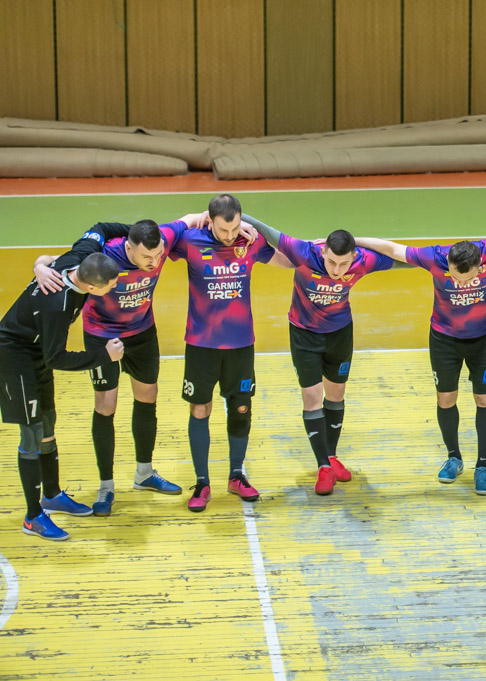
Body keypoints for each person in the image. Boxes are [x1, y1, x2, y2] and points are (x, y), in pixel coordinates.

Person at [354, 218, 486, 495]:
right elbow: (392, 249)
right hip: (444, 340)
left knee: (485, 399)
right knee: (446, 399)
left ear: (479, 265)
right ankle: (454, 458)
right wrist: (353, 241)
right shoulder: (434, 257)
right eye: (456, 277)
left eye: (468, 278)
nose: (461, 283)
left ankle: (482, 466)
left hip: (485, 340)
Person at [32, 216, 208, 515]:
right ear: (128, 247)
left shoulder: (162, 240)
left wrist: (245, 225)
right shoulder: (102, 253)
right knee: (106, 405)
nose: (154, 262)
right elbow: (55, 260)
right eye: (146, 257)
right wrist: (39, 266)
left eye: (158, 255)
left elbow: (193, 218)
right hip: (101, 335)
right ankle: (106, 486)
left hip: (142, 332)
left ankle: (144, 473)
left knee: (148, 396)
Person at [241, 213, 394, 495]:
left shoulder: (363, 261)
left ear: (353, 257)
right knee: (312, 397)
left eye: (343, 264)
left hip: (340, 334)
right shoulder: (304, 252)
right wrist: (238, 220)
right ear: (323, 251)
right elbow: (267, 230)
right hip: (304, 334)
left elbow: (405, 258)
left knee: (336, 395)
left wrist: (442, 263)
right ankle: (323, 465)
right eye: (331, 262)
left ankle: (332, 456)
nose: (336, 270)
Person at [1, 241, 123, 540]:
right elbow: (56, 358)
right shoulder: (57, 305)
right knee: (32, 433)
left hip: (37, 351)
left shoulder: (74, 262)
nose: (114, 287)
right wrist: (104, 356)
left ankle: (52, 495)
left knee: (48, 422)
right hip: (15, 358)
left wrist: (39, 265)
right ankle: (32, 517)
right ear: (91, 288)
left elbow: (100, 228)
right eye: (111, 285)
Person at [168, 195, 282, 512]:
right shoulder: (190, 240)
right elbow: (159, 239)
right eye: (223, 230)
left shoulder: (250, 241)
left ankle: (236, 476)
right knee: (200, 409)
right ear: (210, 221)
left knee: (241, 409)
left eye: (235, 228)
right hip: (201, 344)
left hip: (241, 343)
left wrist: (255, 227)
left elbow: (289, 259)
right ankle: (202, 483)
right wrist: (192, 216)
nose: (230, 236)